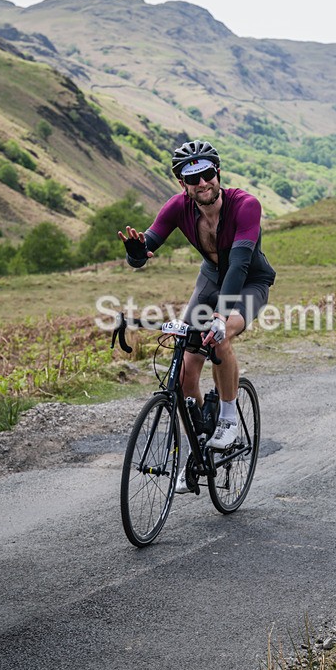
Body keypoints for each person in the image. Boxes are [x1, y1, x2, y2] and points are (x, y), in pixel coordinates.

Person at [118, 139, 276, 493]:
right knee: (185, 368)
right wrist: (135, 253)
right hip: (209, 281)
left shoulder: (245, 205)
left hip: (249, 280)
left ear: (217, 174)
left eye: (207, 174)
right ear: (182, 185)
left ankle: (230, 417)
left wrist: (220, 317)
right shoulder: (177, 208)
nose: (202, 183)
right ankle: (199, 446)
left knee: (222, 336)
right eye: (193, 179)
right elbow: (146, 249)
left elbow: (237, 264)